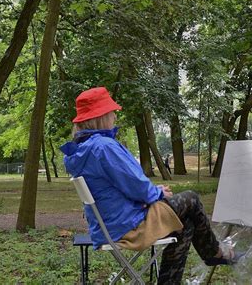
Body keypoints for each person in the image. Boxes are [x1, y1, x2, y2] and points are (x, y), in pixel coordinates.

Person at [61, 87, 238, 284]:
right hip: (128, 226)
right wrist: (156, 193)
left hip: (109, 225)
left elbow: (118, 187)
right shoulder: (104, 147)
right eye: (111, 112)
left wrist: (151, 194)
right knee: (192, 199)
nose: (114, 116)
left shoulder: (82, 151)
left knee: (184, 224)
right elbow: (135, 185)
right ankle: (214, 252)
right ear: (101, 116)